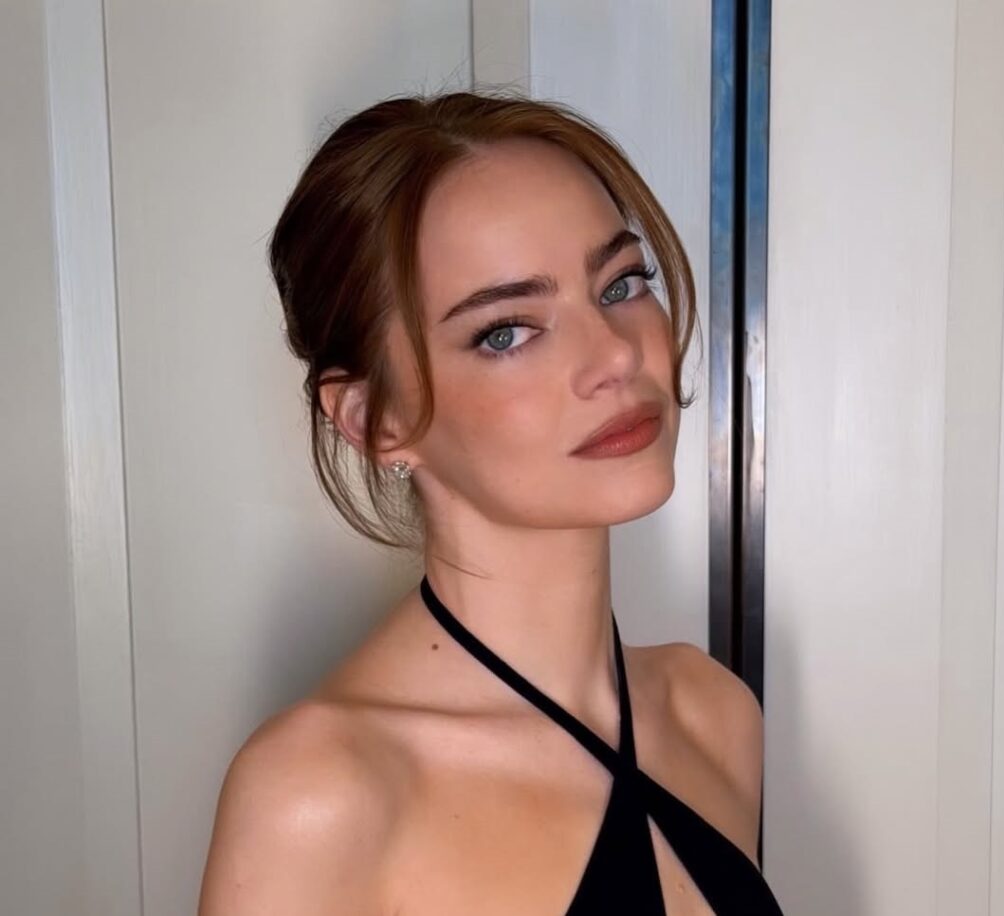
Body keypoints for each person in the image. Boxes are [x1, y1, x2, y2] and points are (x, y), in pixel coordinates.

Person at [198, 89, 784, 915]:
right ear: (374, 419)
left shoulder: (713, 714)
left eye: (621, 283)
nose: (616, 356)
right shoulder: (319, 797)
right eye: (506, 331)